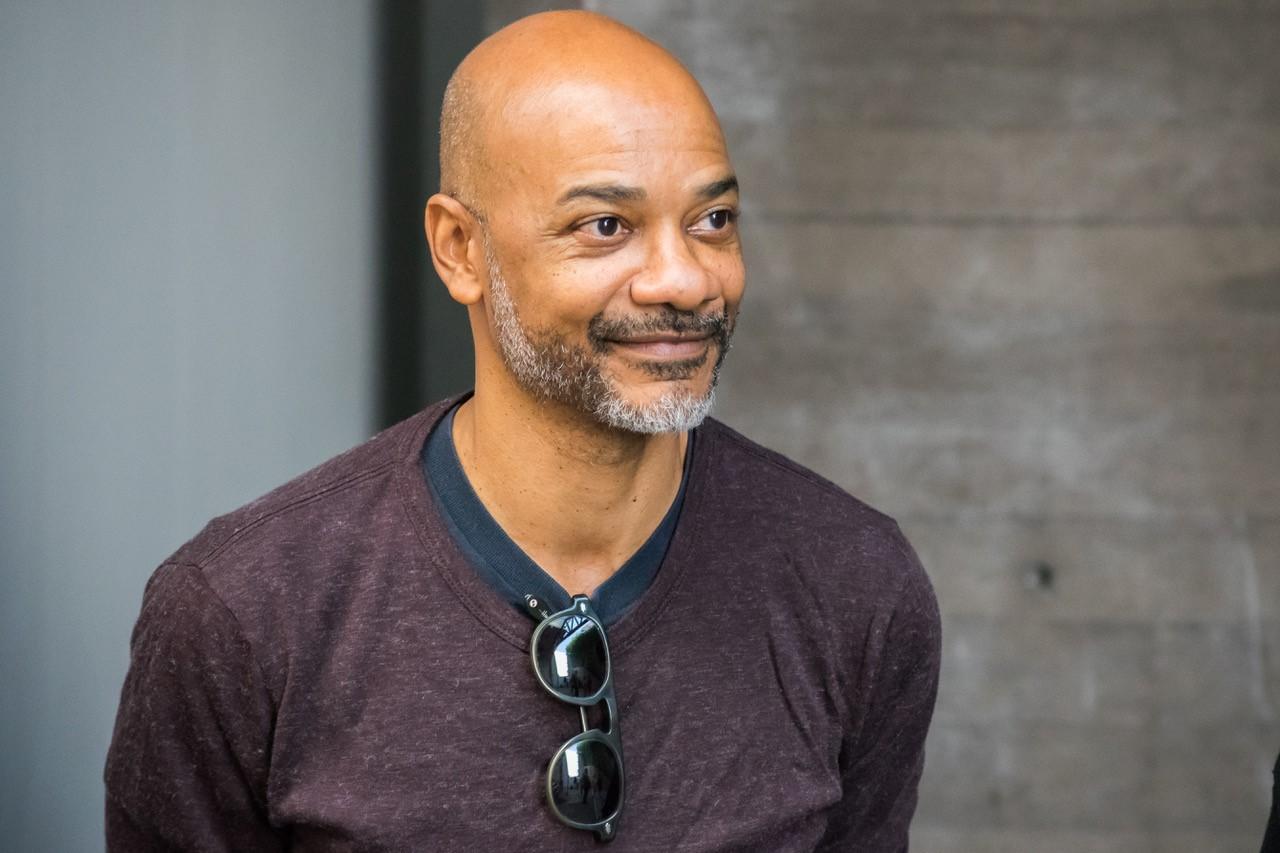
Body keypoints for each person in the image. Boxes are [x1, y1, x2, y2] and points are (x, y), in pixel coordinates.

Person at [104, 10, 941, 851]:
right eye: (605, 225)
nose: (684, 279)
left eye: (712, 220)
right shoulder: (241, 612)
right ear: (461, 248)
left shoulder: (854, 586)